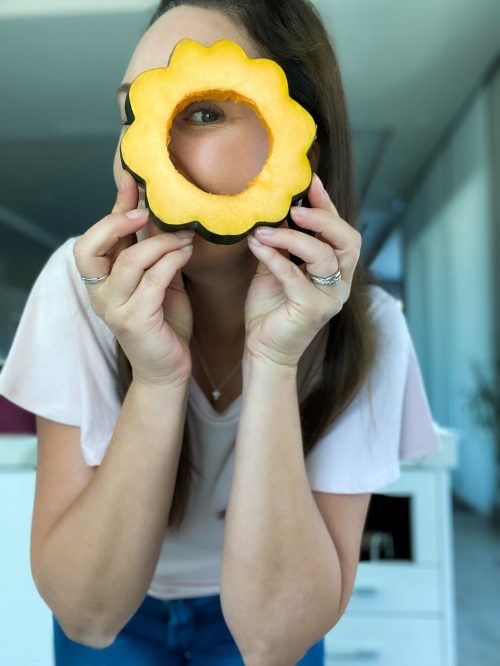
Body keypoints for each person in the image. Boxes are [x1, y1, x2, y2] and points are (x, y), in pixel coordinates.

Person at [0, 1, 441, 664]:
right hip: (126, 613)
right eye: (133, 113)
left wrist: (275, 359)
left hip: (263, 600)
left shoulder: (369, 327)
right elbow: (87, 617)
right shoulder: (78, 285)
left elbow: (273, 642)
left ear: (302, 142)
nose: (142, 156)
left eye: (202, 112)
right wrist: (156, 377)